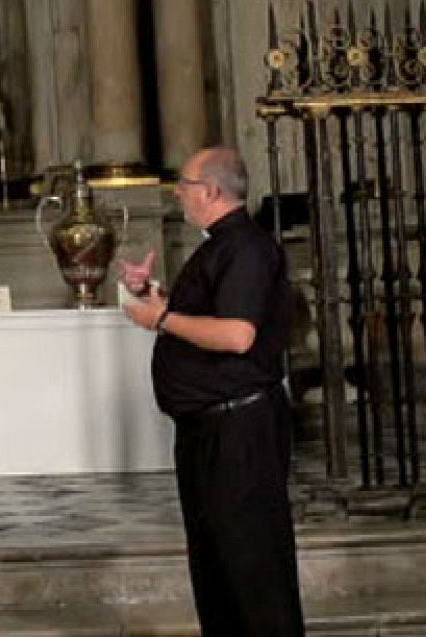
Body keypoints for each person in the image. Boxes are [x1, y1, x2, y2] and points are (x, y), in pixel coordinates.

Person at [120, 146, 305, 636]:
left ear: (213, 191)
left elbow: (237, 335)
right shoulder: (219, 247)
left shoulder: (244, 247)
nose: (178, 191)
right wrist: (152, 297)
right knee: (218, 571)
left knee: (252, 572)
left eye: (184, 183)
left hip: (239, 431)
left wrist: (160, 318)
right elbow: (205, 320)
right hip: (211, 430)